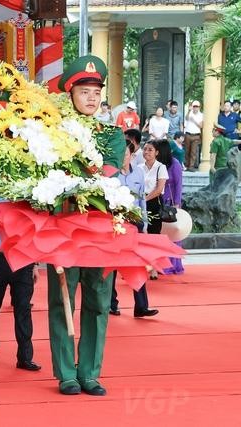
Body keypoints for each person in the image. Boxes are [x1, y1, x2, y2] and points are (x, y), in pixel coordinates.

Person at [48, 55, 125, 396]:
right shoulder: (52, 134)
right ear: (70, 94)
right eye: (84, 91)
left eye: (96, 91)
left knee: (97, 300)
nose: (92, 97)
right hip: (64, 227)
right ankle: (66, 372)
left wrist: (74, 174)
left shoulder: (112, 135)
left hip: (101, 230)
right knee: (62, 299)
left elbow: (107, 170)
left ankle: (90, 371)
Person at [0, 191, 41, 371]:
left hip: (23, 257)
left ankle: (25, 356)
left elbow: (32, 230)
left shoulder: (26, 198)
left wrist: (35, 263)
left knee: (23, 307)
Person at [110, 142, 159, 317]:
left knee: (137, 264)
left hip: (134, 222)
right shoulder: (110, 174)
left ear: (131, 155)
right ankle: (111, 303)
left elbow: (142, 200)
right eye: (119, 154)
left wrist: (144, 224)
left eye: (125, 154)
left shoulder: (138, 172)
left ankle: (141, 306)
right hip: (115, 223)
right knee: (112, 266)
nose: (122, 157)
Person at [138, 139, 168, 280]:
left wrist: (145, 200)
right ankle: (139, 266)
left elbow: (159, 189)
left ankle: (154, 268)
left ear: (156, 152)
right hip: (139, 203)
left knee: (153, 236)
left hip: (153, 203)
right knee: (139, 236)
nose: (146, 152)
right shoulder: (138, 167)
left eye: (150, 150)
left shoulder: (160, 167)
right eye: (145, 149)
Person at [159, 140, 184, 276]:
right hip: (160, 201)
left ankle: (174, 265)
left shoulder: (175, 164)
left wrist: (177, 204)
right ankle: (163, 264)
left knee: (173, 235)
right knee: (162, 234)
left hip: (171, 201)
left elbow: (179, 184)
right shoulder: (158, 164)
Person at [184, 100, 204, 171]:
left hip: (196, 135)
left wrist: (194, 120)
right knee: (186, 151)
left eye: (197, 106)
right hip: (188, 134)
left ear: (199, 107)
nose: (195, 108)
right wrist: (189, 111)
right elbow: (186, 119)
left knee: (193, 152)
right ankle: (186, 165)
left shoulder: (201, 115)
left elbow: (201, 126)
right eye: (194, 106)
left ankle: (191, 166)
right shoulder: (189, 113)